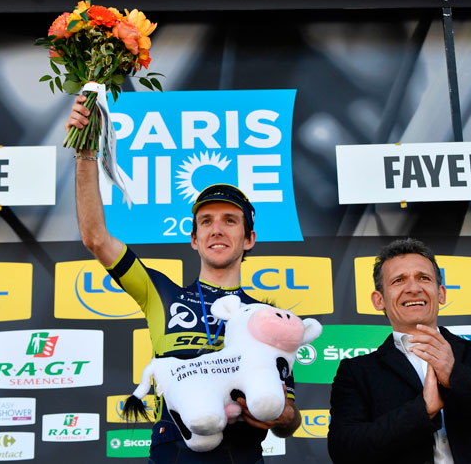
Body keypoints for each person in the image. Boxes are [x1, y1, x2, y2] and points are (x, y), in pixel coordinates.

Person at [66, 95, 301, 463]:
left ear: (249, 238)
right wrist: (85, 152)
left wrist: (279, 415)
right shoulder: (160, 292)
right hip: (176, 449)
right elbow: (95, 237)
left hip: (242, 452)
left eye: (230, 220)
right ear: (193, 239)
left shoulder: (265, 318)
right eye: (206, 222)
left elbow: (289, 416)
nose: (216, 230)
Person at [327, 238, 471, 463]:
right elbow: (344, 451)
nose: (414, 288)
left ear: (442, 294)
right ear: (379, 300)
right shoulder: (357, 372)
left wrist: (456, 375)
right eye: (399, 280)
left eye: (423, 278)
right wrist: (423, 410)